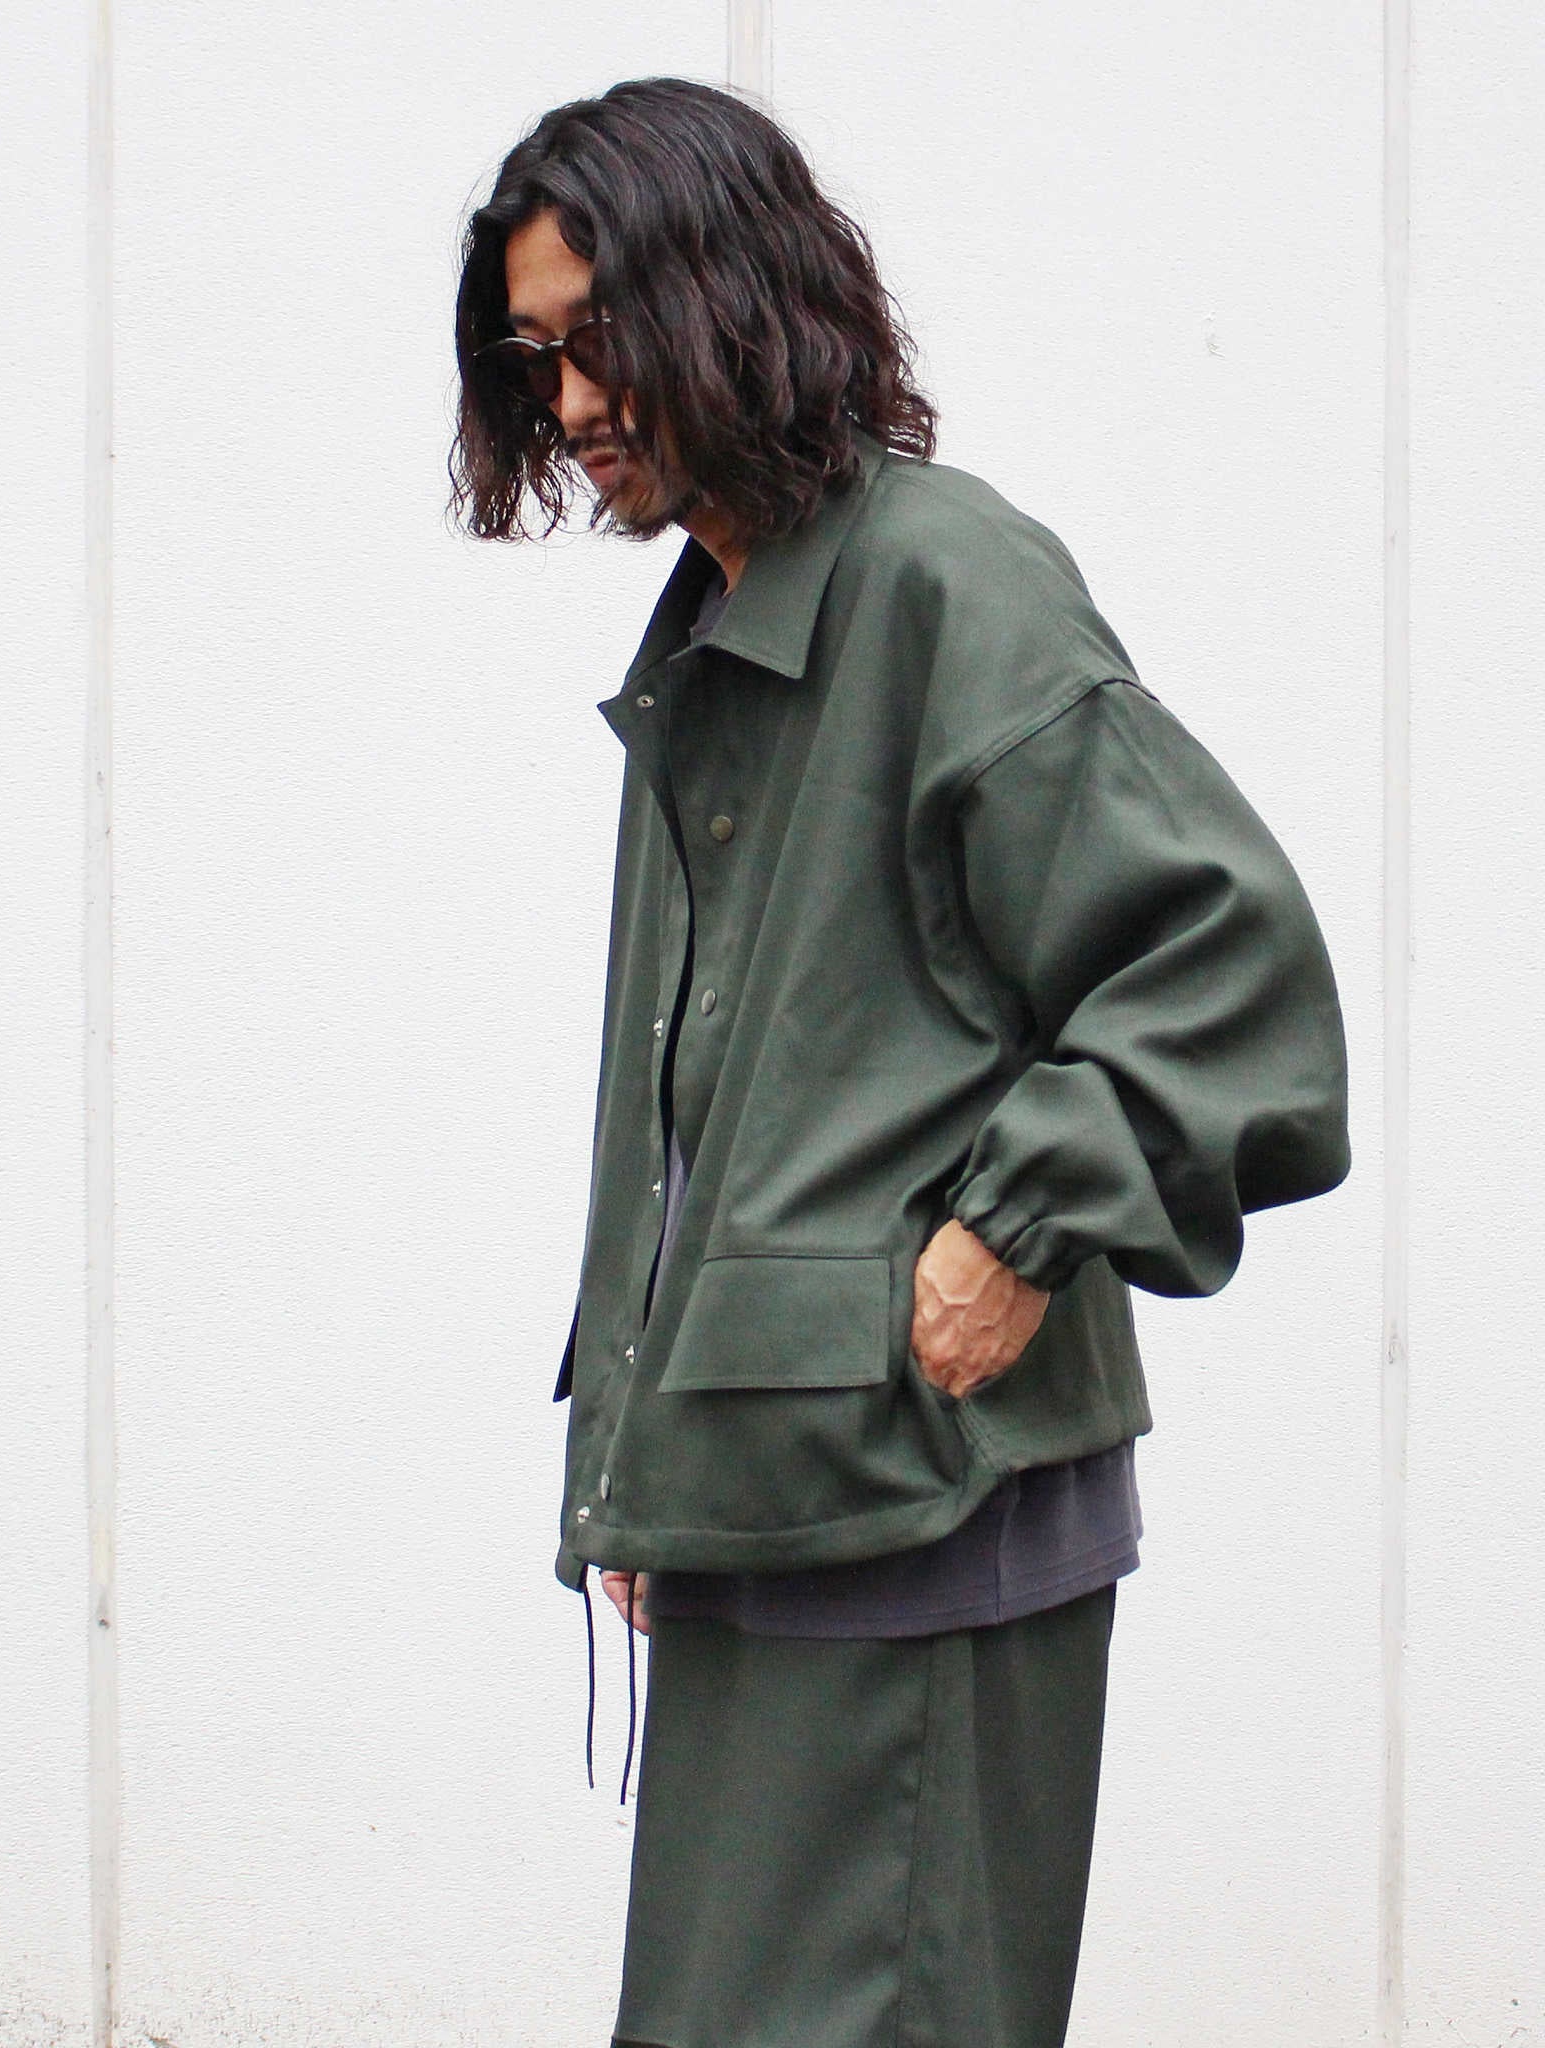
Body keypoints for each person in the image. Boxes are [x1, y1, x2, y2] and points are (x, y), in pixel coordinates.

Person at [449, 75, 1350, 2048]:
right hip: (778, 1487)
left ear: (730, 294)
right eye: (536, 358)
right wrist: (645, 1460)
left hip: (929, 1505)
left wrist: (1015, 1226)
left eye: (601, 338)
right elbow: (728, 1100)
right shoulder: (722, 620)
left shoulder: (946, 579)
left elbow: (1230, 973)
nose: (572, 402)